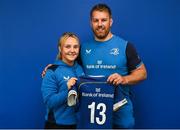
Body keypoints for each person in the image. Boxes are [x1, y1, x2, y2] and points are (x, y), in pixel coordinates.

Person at [42, 3, 147, 129]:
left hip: (120, 116)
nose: (100, 24)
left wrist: (124, 79)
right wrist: (53, 66)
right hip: (93, 118)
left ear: (111, 21)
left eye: (104, 20)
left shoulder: (125, 46)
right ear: (91, 23)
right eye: (96, 20)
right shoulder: (83, 48)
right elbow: (69, 63)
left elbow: (142, 73)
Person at [41, 32, 84, 129]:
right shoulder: (52, 71)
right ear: (60, 49)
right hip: (57, 125)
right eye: (68, 47)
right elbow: (49, 102)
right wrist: (67, 90)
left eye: (75, 47)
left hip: (76, 124)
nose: (72, 50)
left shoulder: (80, 69)